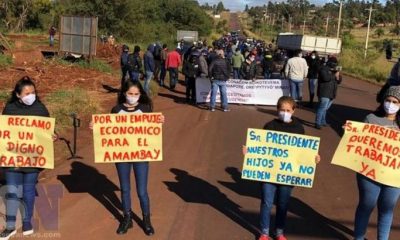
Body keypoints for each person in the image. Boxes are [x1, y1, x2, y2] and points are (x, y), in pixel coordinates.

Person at [243, 96, 320, 240]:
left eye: (288, 110)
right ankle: (264, 232)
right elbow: (261, 146)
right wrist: (250, 151)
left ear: (294, 111)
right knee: (267, 202)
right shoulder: (270, 126)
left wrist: (313, 158)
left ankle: (279, 232)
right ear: (277, 110)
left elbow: (303, 151)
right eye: (282, 110)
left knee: (283, 203)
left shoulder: (298, 128)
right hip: (268, 173)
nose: (285, 112)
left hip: (287, 174)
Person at [93, 81, 164, 236]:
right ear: (124, 93)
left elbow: (151, 132)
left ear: (140, 94)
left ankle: (146, 220)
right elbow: (109, 131)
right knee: (125, 189)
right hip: (122, 156)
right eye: (130, 94)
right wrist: (97, 127)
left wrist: (159, 122)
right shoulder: (116, 110)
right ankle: (127, 218)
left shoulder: (145, 110)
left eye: (136, 94)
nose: (133, 97)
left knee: (142, 191)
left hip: (141, 156)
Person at [0, 76, 57, 239]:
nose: (30, 95)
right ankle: (10, 226)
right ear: (18, 95)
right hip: (13, 158)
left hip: (33, 158)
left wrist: (54, 136)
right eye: (26, 93)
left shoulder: (41, 108)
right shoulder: (9, 109)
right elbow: (5, 133)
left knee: (28, 191)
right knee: (11, 191)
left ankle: (27, 223)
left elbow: (51, 130)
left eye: (33, 92)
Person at [352, 85, 400, 240]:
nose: (390, 104)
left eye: (395, 101)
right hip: (369, 173)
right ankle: (359, 237)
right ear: (383, 100)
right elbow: (358, 141)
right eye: (388, 100)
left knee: (387, 210)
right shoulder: (371, 119)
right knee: (366, 206)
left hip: (394, 176)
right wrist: (351, 132)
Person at [315, 57, 342, 129]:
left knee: (325, 108)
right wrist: (334, 74)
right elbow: (326, 78)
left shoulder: (335, 70)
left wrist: (338, 75)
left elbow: (339, 81)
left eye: (335, 63)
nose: (334, 64)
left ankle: (323, 121)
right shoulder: (323, 69)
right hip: (324, 92)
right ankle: (317, 122)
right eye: (333, 63)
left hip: (332, 93)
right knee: (322, 108)